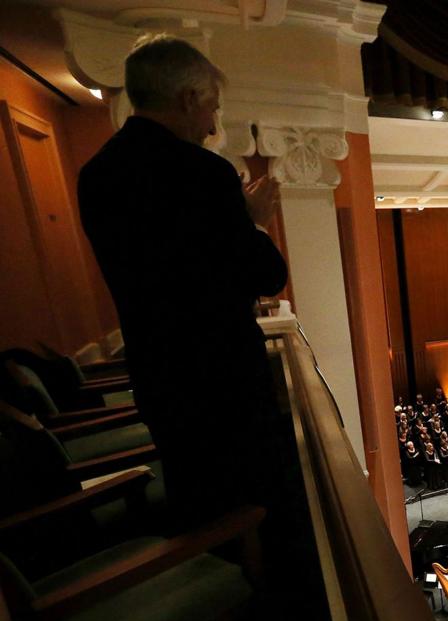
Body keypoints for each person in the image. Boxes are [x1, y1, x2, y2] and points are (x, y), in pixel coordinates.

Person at [78, 34, 289, 521]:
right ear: (189, 98)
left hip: (158, 377)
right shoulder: (203, 174)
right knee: (255, 503)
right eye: (211, 108)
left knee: (197, 498)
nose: (212, 124)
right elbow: (267, 274)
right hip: (226, 383)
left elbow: (170, 270)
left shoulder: (97, 174)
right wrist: (251, 218)